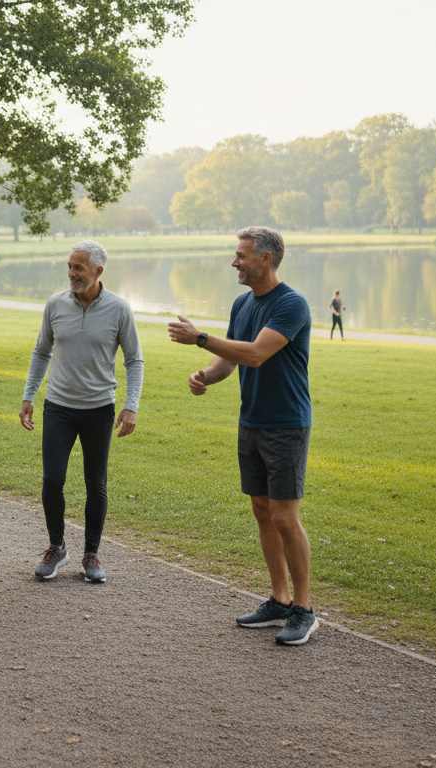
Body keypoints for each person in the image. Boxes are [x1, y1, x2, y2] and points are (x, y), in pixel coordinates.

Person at [167, 226, 317, 646]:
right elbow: (230, 360)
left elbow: (254, 354)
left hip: (286, 425)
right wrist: (206, 377)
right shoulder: (242, 303)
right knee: (261, 511)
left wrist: (198, 337)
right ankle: (279, 599)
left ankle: (304, 609)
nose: (235, 261)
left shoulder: (291, 304)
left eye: (241, 255)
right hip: (251, 422)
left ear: (265, 259)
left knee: (286, 517)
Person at [21, 241, 143, 584]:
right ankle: (56, 547)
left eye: (79, 268)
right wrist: (28, 395)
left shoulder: (119, 309)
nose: (73, 273)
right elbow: (41, 351)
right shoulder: (55, 304)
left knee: (96, 483)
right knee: (52, 479)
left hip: (98, 409)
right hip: (58, 406)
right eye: (70, 267)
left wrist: (131, 405)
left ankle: (91, 554)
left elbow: (134, 360)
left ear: (98, 271)